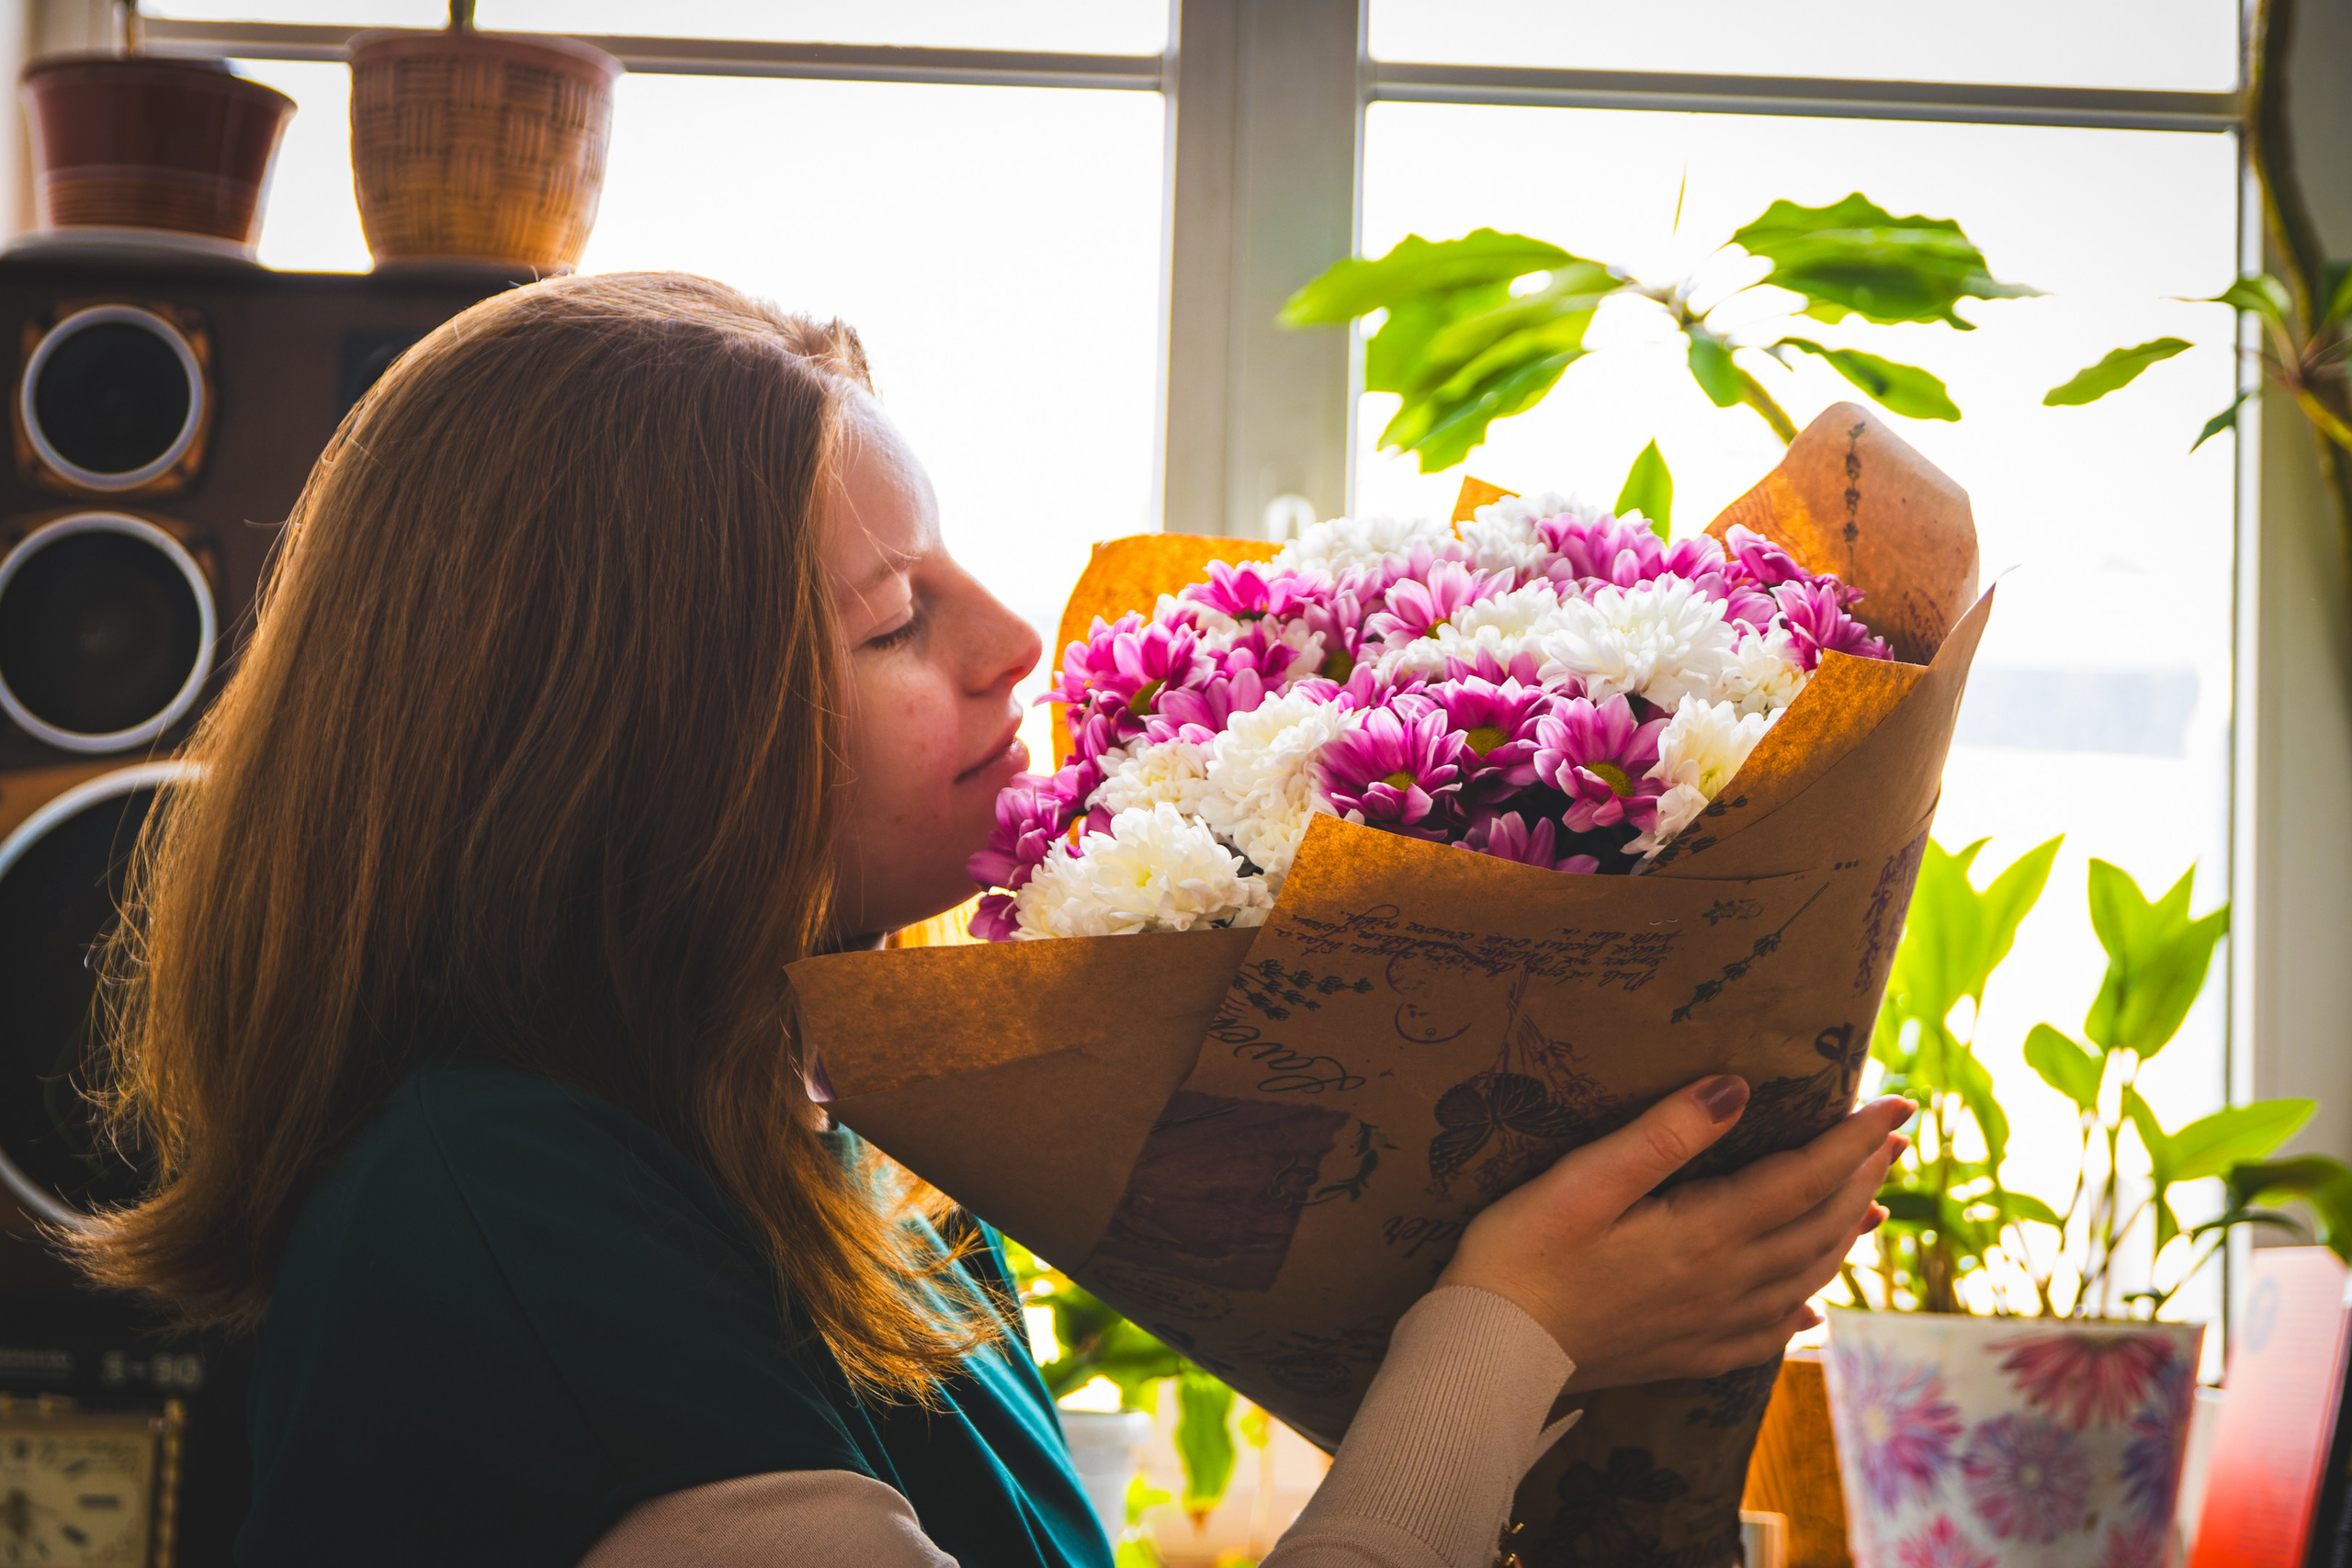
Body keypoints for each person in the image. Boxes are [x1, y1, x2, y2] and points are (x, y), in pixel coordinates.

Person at [75, 273, 1907, 1568]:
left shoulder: (859, 1166)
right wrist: (1499, 1324)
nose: (1015, 637)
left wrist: (1567, 1288)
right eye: (891, 617)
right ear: (622, 733)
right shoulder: (497, 1212)